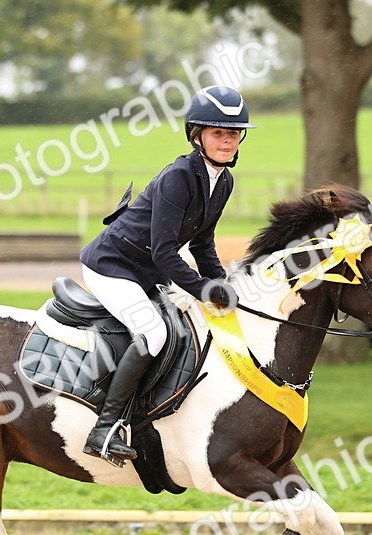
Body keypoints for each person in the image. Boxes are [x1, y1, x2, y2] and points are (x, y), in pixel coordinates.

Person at [77, 85, 251, 465]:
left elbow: (203, 244)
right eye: (219, 133)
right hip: (113, 266)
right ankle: (104, 428)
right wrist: (204, 288)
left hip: (150, 269)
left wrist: (222, 284)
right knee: (153, 332)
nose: (228, 141)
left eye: (234, 133)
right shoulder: (178, 176)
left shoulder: (223, 181)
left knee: (191, 325)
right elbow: (165, 251)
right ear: (197, 135)